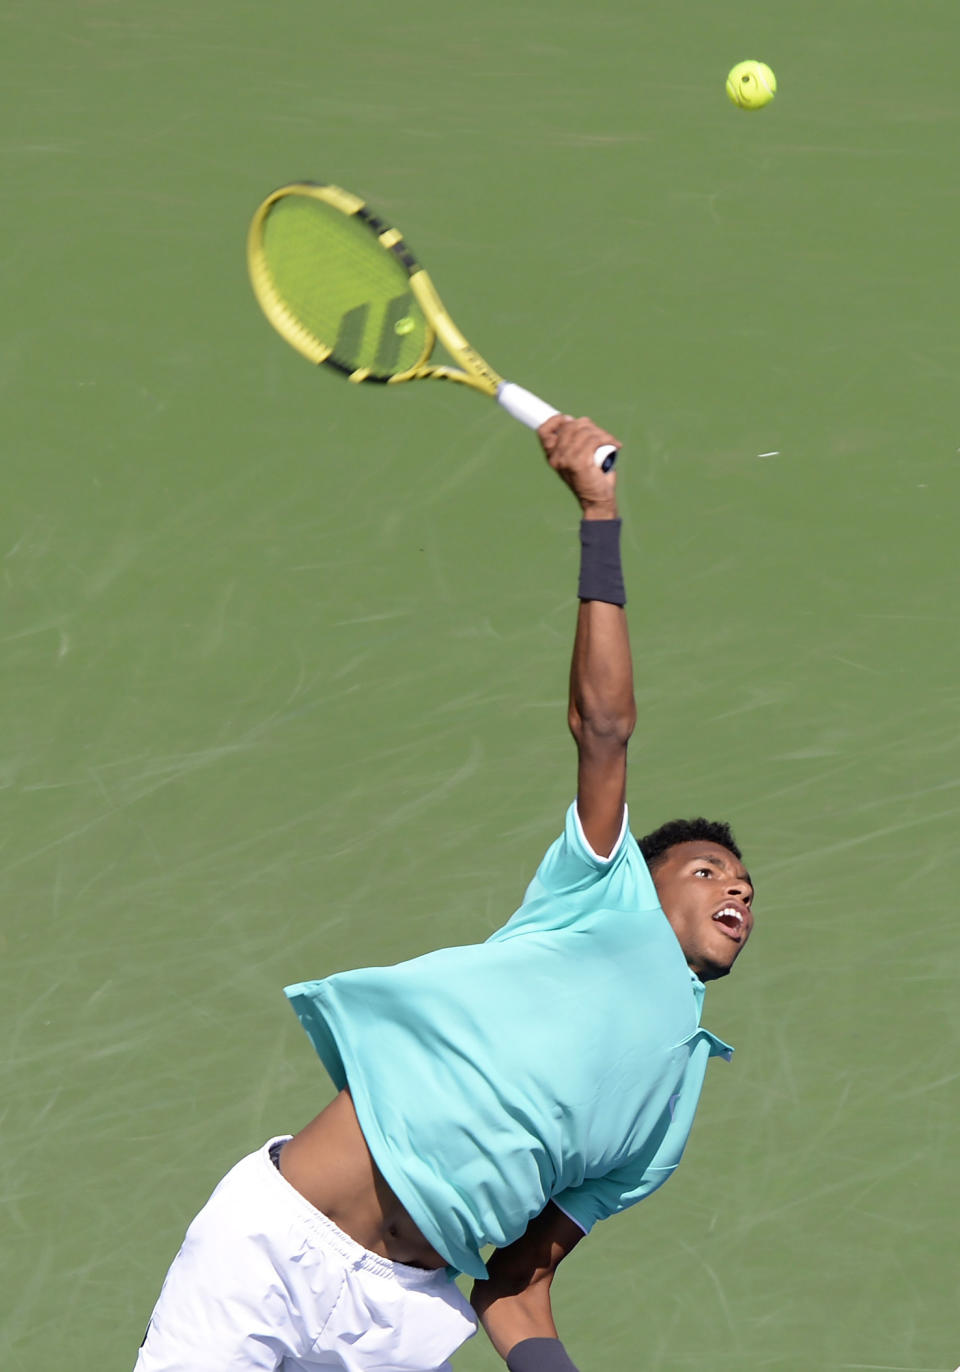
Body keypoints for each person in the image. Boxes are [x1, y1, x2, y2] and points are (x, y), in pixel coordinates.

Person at [135, 415, 755, 1372]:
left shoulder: (665, 1117)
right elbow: (604, 724)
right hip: (272, 1251)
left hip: (397, 1321)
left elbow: (518, 1284)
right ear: (644, 876)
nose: (738, 890)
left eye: (747, 886)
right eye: (707, 869)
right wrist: (600, 513)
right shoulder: (600, 896)